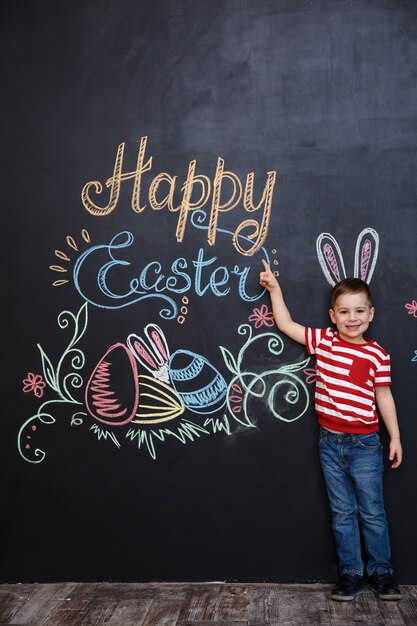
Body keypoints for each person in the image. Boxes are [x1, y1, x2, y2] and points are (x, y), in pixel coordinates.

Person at [259, 260, 402, 602]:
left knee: (372, 511)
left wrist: (395, 436)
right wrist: (275, 290)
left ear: (371, 314)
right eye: (344, 312)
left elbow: (384, 396)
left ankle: (382, 572)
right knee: (342, 513)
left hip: (366, 444)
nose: (352, 318)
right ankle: (351, 574)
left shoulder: (377, 355)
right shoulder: (324, 342)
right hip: (329, 443)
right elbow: (286, 324)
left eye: (358, 311)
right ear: (332, 315)